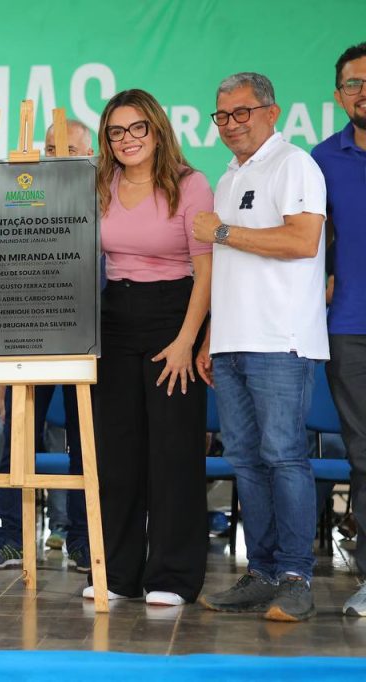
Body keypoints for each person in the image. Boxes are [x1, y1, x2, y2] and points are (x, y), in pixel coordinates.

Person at [195, 72, 327, 622]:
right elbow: (229, 268)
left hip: (280, 339)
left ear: (272, 113)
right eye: (222, 115)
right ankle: (263, 571)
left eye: (241, 112)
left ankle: (297, 578)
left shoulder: (294, 164)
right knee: (246, 461)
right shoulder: (229, 176)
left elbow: (303, 240)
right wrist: (211, 335)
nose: (230, 124)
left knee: (284, 457)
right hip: (232, 341)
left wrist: (222, 232)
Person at [86, 89, 213, 606]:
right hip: (114, 317)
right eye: (116, 131)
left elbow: (206, 269)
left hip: (173, 315)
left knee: (172, 453)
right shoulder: (100, 183)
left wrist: (186, 340)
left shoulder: (190, 184)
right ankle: (117, 574)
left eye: (137, 127)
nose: (127, 139)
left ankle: (172, 576)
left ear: (157, 129)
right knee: (116, 453)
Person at [0, 121, 93, 573]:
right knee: (16, 437)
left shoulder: (101, 194)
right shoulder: (19, 197)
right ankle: (10, 538)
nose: (57, 154)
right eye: (49, 146)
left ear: (89, 153)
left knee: (85, 442)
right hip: (29, 329)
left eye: (69, 148)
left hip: (82, 332)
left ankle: (83, 541)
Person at [313, 42, 366, 618]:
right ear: (338, 94)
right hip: (350, 325)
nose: (363, 91)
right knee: (364, 454)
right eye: (354, 83)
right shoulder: (322, 158)